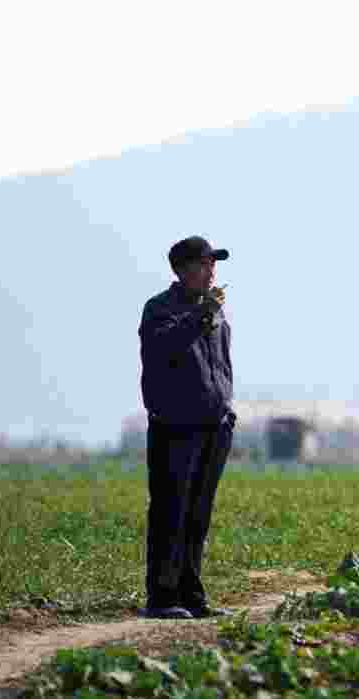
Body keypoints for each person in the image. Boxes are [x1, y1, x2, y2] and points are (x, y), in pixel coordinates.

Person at [137, 235, 236, 619]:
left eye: (214, 264)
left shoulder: (213, 311)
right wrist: (201, 315)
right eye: (205, 264)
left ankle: (192, 596)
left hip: (214, 426)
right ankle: (162, 598)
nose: (212, 271)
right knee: (170, 512)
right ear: (183, 270)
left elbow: (220, 364)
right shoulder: (160, 309)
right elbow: (166, 349)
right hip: (176, 428)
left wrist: (226, 408)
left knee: (198, 515)